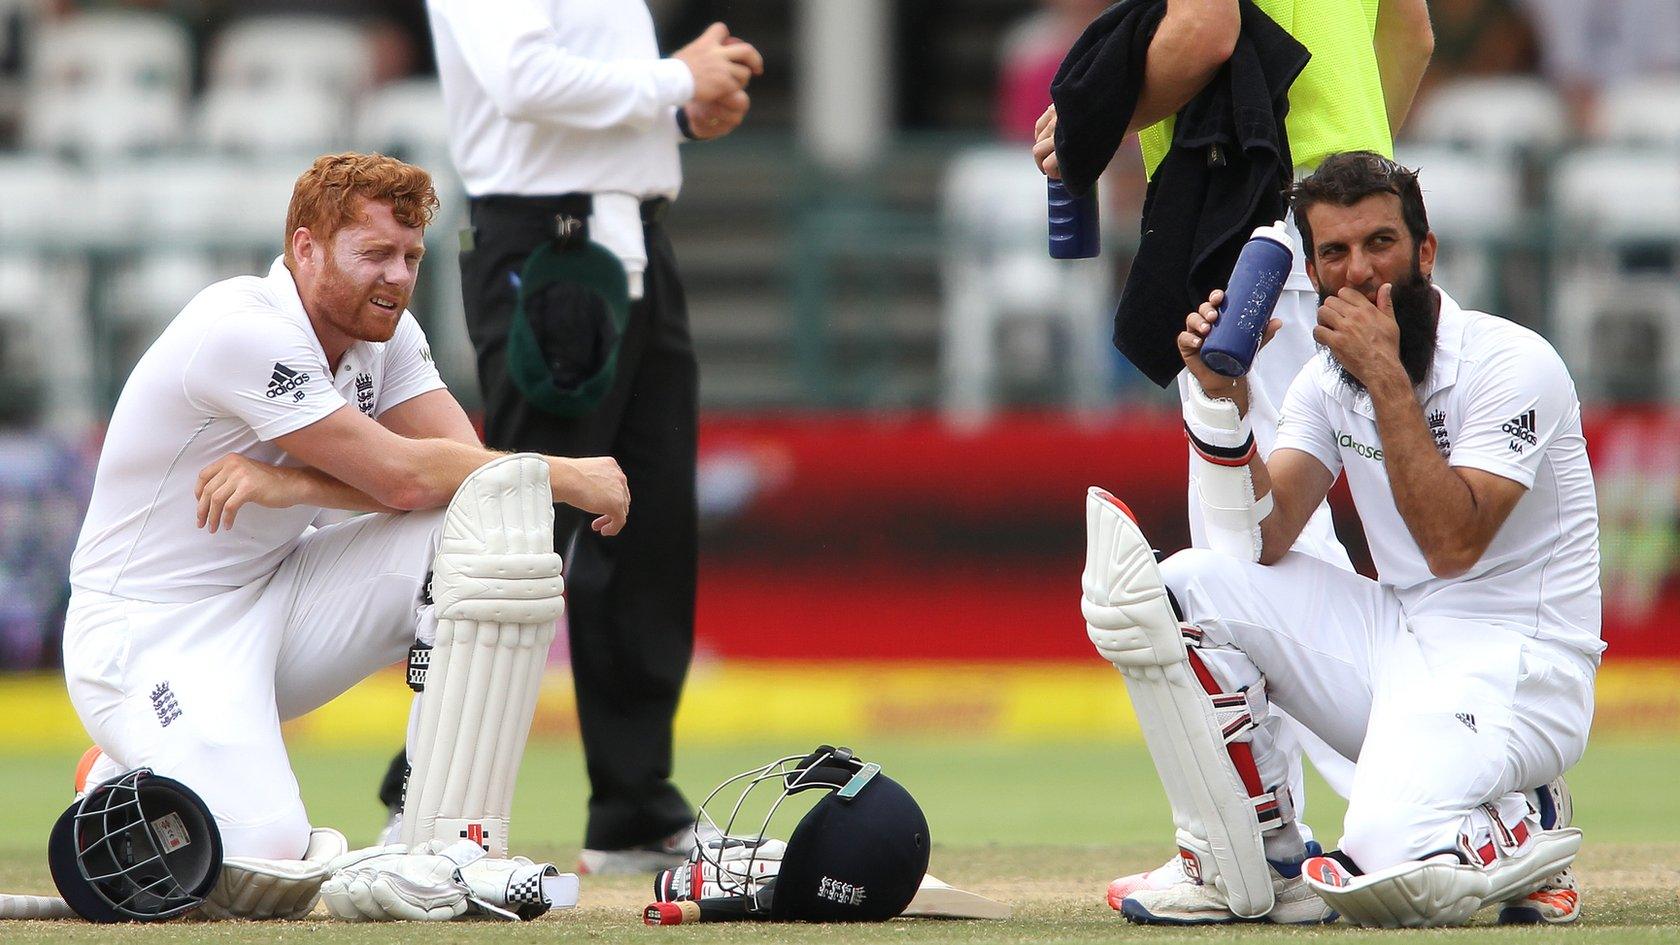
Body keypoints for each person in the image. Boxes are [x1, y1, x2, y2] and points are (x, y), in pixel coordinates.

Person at [63, 152, 629, 866]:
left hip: (274, 603)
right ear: (305, 247)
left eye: (410, 255)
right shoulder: (243, 327)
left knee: (492, 533)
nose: (396, 275)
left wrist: (298, 486)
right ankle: (118, 775)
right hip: (144, 634)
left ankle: (438, 837)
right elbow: (400, 479)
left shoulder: (385, 331)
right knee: (268, 852)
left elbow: (466, 476)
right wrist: (568, 473)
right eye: (375, 253)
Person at [1083, 151, 1598, 926]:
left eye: (1380, 244)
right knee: (1187, 585)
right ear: (1315, 270)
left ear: (1425, 253)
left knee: (1377, 869)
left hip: (1523, 665)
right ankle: (1269, 856)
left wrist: (1386, 375)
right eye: (1335, 253)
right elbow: (1256, 541)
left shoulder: (1513, 364)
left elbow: (1452, 544)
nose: (1359, 272)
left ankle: (1526, 814)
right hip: (1403, 641)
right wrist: (1221, 401)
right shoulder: (1326, 381)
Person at [1032, 0, 1434, 903]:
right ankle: (1363, 820)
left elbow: (1207, 29)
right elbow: (1411, 33)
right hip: (1355, 222)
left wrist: (1095, 115)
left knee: (1241, 563)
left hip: (1262, 217)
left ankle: (1385, 820)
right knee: (1363, 536)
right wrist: (1352, 183)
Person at [418, 0, 762, 875]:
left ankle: (635, 805)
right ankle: (419, 800)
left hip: (629, 233)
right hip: (550, 242)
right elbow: (522, 80)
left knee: (645, 534)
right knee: (521, 534)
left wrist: (673, 111)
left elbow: (577, 91)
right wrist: (677, 78)